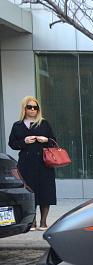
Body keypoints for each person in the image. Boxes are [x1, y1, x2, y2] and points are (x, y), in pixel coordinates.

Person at [9, 96, 57, 231]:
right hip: (26, 163)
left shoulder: (44, 123)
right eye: (29, 107)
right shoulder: (17, 125)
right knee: (30, 192)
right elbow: (12, 144)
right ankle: (32, 222)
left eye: (35, 107)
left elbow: (54, 141)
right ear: (24, 108)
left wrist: (45, 139)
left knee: (45, 191)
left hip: (44, 163)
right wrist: (24, 141)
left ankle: (43, 222)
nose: (32, 110)